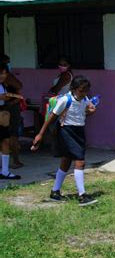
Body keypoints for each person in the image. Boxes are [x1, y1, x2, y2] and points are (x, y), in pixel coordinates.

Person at [32, 75, 97, 206]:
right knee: (80, 161)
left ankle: (55, 191)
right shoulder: (65, 100)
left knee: (66, 161)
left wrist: (91, 111)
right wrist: (40, 134)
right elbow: (51, 117)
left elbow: (83, 112)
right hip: (67, 131)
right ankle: (82, 195)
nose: (84, 93)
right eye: (81, 90)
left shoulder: (84, 98)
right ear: (73, 89)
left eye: (86, 91)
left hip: (79, 131)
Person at [0, 54, 24, 169]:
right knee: (11, 135)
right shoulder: (6, 75)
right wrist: (16, 97)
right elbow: (19, 85)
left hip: (7, 106)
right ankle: (15, 161)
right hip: (9, 107)